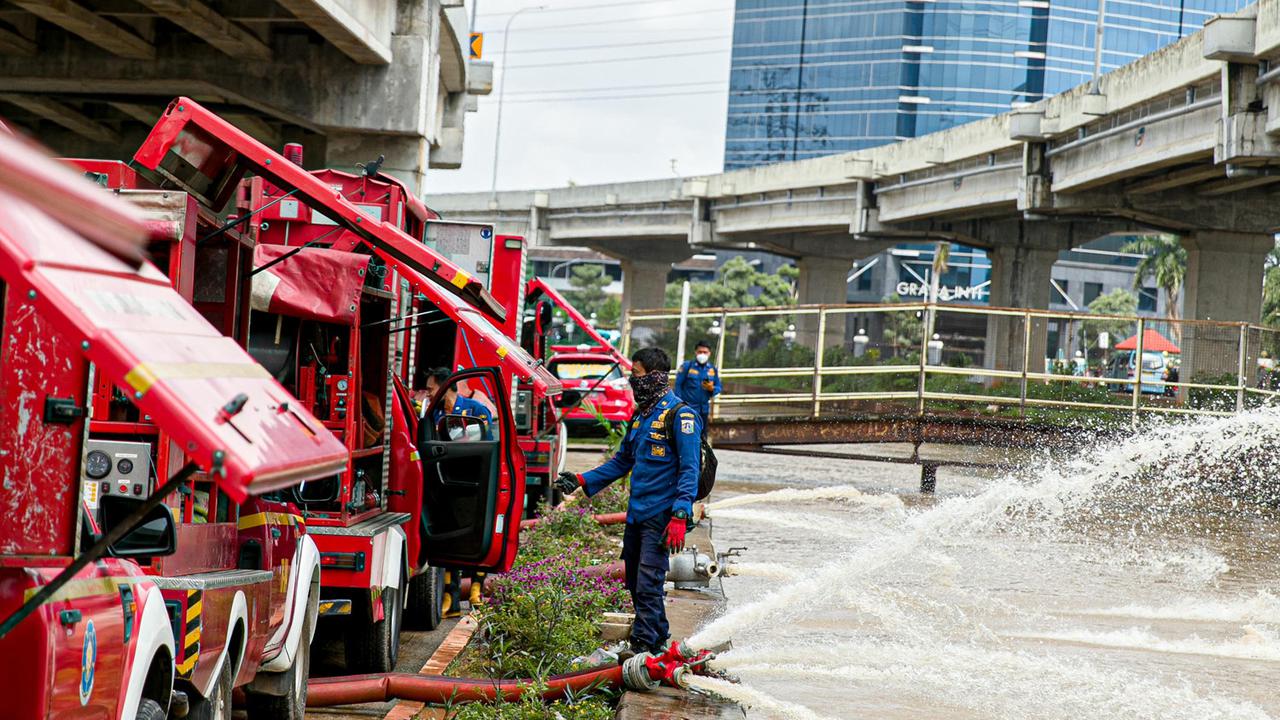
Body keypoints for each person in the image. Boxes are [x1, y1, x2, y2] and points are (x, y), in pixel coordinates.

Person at [555, 347, 700, 655]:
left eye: (637, 375)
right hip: (637, 514)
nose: (633, 382)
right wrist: (581, 480)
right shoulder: (641, 417)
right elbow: (621, 462)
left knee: (649, 582)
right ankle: (659, 639)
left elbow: (690, 469)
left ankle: (643, 646)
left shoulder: (680, 415)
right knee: (634, 582)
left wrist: (680, 513)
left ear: (656, 377)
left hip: (661, 516)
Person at [424, 367, 493, 440]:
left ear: (445, 387)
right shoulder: (434, 412)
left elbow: (487, 444)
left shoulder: (477, 409)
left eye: (430, 389)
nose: (427, 394)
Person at [674, 341, 721, 433]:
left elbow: (718, 387)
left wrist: (712, 389)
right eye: (700, 352)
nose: (702, 354)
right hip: (688, 409)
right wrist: (679, 405)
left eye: (705, 352)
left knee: (702, 435)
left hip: (704, 409)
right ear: (696, 352)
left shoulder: (712, 369)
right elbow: (678, 385)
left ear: (709, 353)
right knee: (687, 433)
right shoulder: (687, 366)